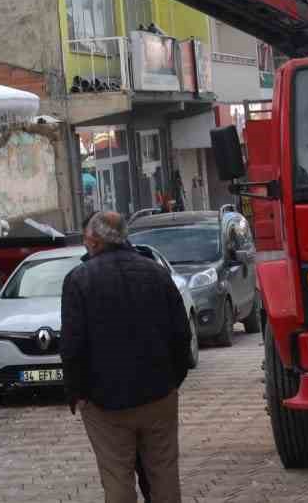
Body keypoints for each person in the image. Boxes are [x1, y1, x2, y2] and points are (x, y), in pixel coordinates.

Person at [61, 211, 192, 503]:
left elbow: (72, 345)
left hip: (104, 401)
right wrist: (173, 379)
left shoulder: (79, 280)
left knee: (116, 475)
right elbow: (181, 333)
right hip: (158, 393)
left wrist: (77, 392)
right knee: (164, 472)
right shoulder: (156, 273)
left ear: (93, 241)